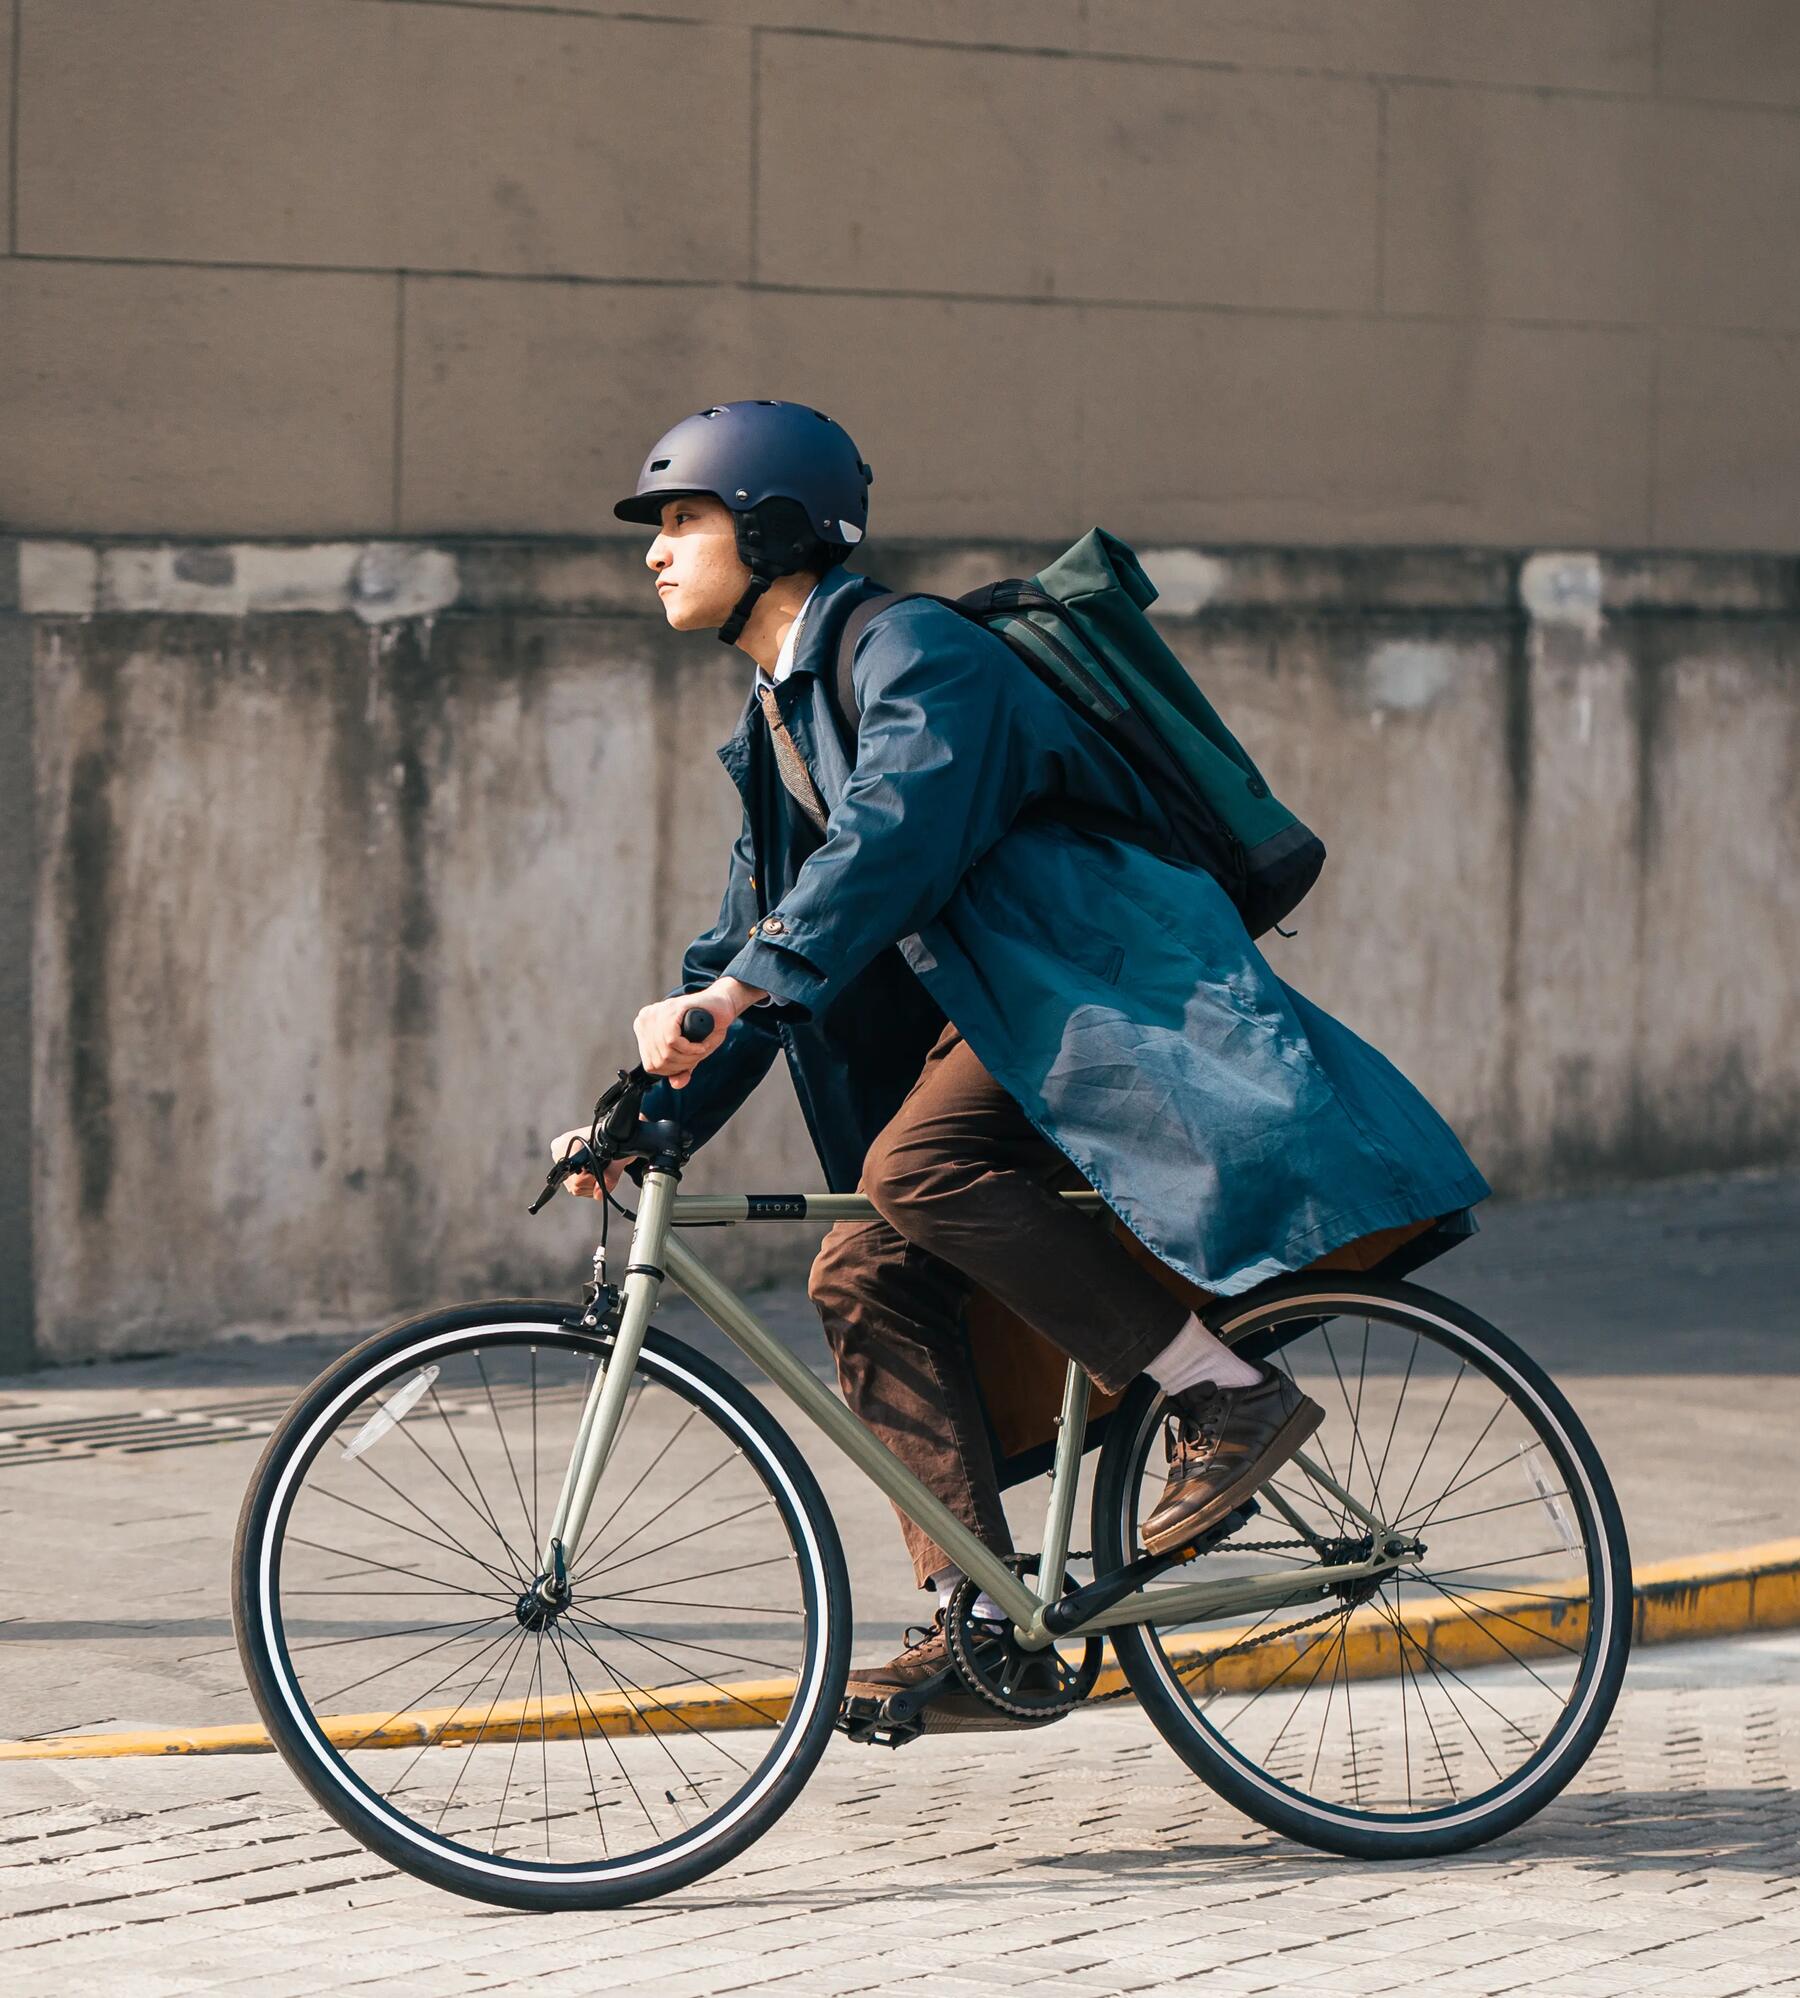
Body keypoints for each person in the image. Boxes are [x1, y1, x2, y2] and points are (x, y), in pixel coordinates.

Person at [554, 398, 1490, 1731]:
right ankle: (980, 1623)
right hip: (1005, 1013)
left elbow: (895, 832)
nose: (655, 550)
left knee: (917, 1164)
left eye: (683, 520)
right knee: (861, 1263)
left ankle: (1228, 1396)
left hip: (1101, 990)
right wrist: (651, 1111)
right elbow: (743, 934)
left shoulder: (915, 650)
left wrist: (751, 974)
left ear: (771, 529)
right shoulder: (780, 718)